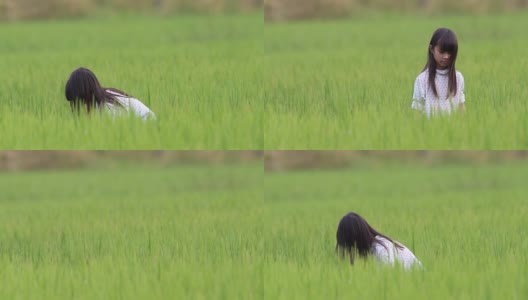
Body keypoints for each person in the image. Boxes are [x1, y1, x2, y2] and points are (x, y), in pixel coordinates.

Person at [335, 212, 422, 270]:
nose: (348, 252)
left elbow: (389, 281)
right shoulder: (369, 253)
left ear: (355, 242)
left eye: (348, 247)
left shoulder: (382, 250)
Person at [412, 28, 465, 118]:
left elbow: (462, 110)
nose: (446, 56)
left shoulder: (458, 78)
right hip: (429, 130)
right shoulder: (422, 79)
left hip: (453, 129)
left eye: (450, 52)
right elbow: (416, 113)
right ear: (432, 49)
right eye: (442, 51)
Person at [65, 67, 156, 120]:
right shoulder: (104, 96)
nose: (79, 106)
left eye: (79, 101)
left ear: (85, 95)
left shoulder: (108, 108)